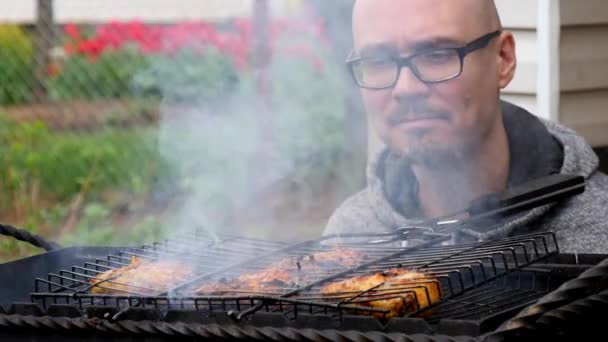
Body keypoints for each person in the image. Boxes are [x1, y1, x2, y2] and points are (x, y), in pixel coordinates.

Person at [323, 0, 608, 253]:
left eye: (437, 54)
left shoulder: (599, 228)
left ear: (503, 60)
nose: (406, 88)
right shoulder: (349, 237)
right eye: (378, 61)